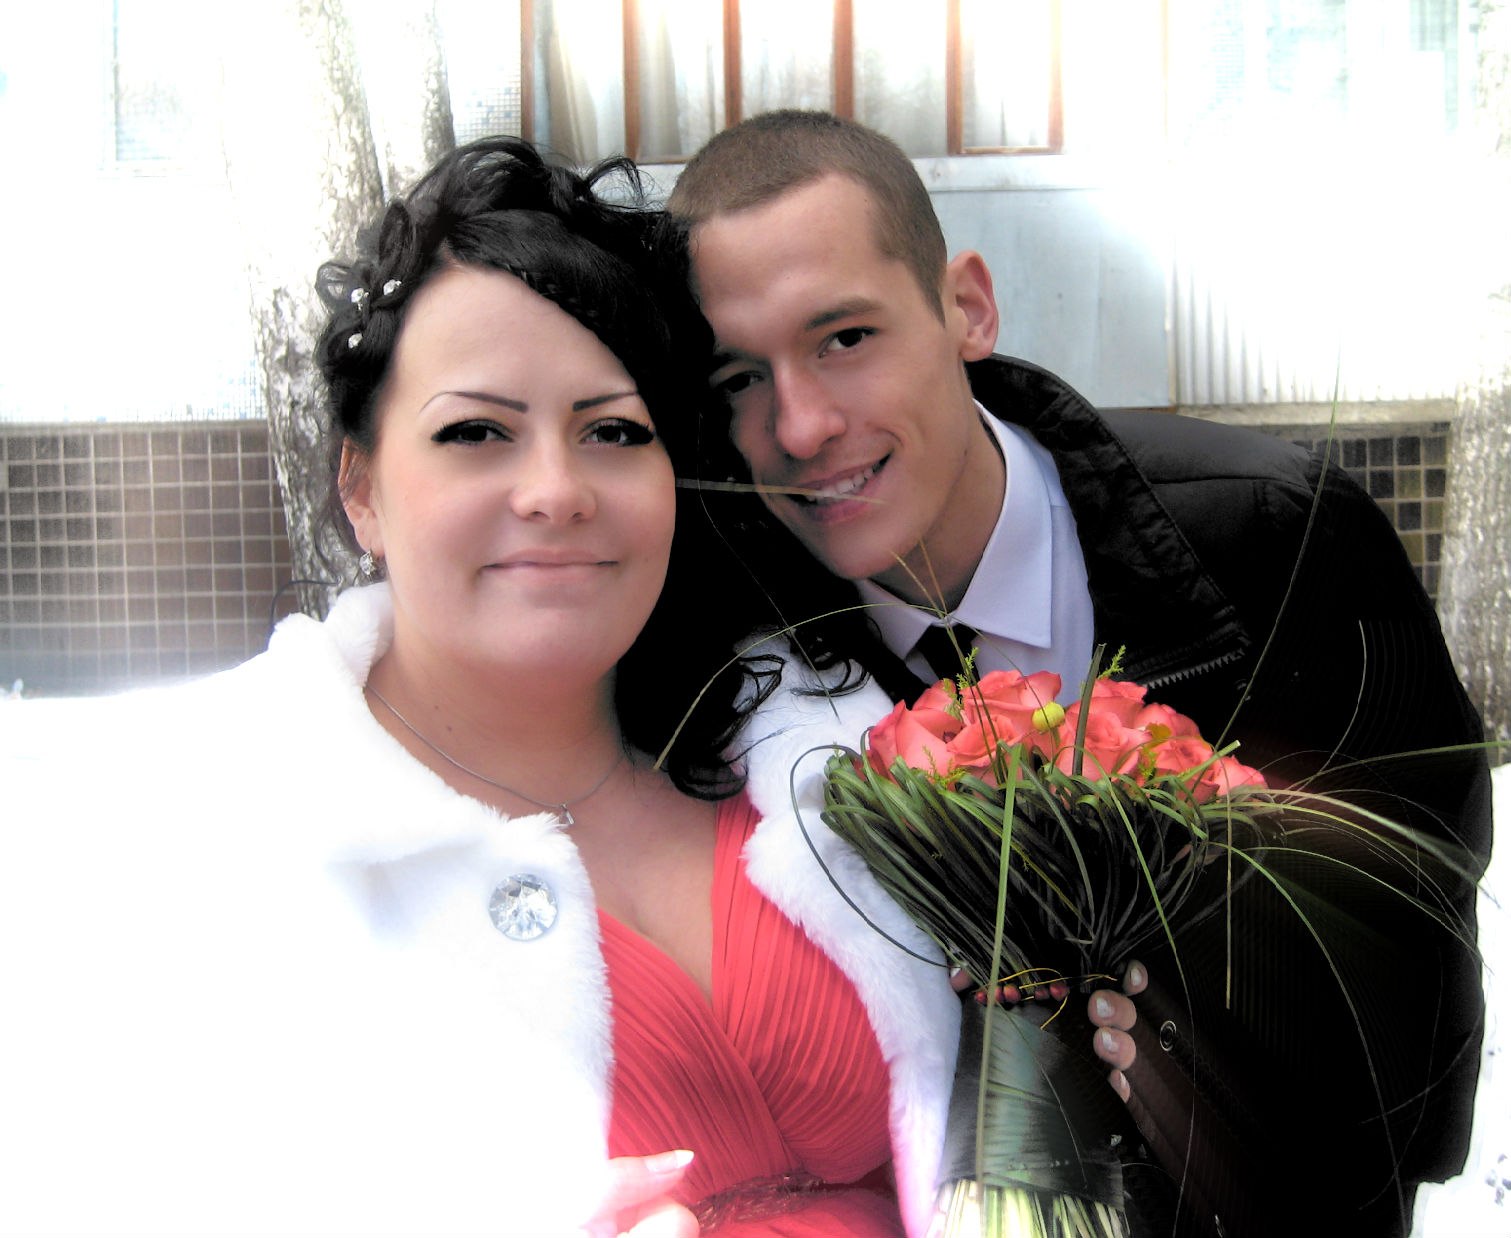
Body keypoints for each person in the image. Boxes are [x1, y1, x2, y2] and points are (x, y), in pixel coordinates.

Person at [0, 136, 1139, 1238]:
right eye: (476, 432)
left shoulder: (817, 748)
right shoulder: (187, 839)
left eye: (610, 431)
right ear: (361, 488)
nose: (555, 490)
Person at [667, 110, 1492, 1236]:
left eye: (844, 338)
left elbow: (1413, 919)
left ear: (966, 307)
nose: (801, 425)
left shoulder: (1273, 536)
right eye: (737, 379)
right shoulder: (735, 648)